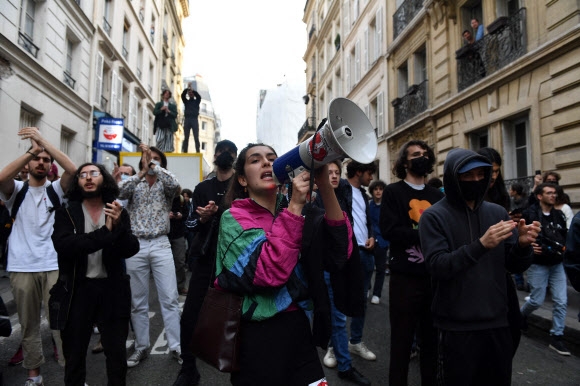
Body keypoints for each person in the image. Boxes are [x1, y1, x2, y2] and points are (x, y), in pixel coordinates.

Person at [214, 143, 353, 386]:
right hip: (256, 335)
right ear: (243, 180)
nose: (267, 163)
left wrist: (324, 186)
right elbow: (268, 272)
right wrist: (295, 207)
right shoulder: (233, 218)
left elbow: (341, 250)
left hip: (298, 327)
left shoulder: (296, 210)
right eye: (256, 160)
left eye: (272, 158)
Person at [419, 148, 540, 386]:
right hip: (456, 327)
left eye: (480, 175)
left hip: (497, 323)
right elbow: (438, 266)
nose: (475, 180)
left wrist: (523, 246)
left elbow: (512, 265)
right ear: (454, 177)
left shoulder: (496, 212)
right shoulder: (434, 216)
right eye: (467, 175)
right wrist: (481, 245)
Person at [50, 163, 140, 385]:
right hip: (77, 291)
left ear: (105, 179)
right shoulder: (67, 213)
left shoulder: (117, 211)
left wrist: (117, 228)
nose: (88, 178)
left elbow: (130, 249)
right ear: (77, 182)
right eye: (82, 175)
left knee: (117, 358)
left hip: (112, 291)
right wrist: (105, 233)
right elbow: (65, 245)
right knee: (74, 357)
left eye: (93, 174)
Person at [0, 127, 76, 385]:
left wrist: (44, 143)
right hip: (21, 266)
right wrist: (33, 148)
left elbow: (74, 171)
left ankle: (71, 376)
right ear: (29, 161)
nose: (41, 162)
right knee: (29, 325)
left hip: (53, 264)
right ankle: (34, 376)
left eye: (46, 160)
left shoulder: (56, 190)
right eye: (37, 159)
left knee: (61, 325)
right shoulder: (17, 190)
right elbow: (2, 177)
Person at [172, 139, 238, 386]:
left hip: (235, 261)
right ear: (215, 154)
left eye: (230, 152)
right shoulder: (202, 187)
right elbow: (188, 224)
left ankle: (240, 367)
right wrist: (202, 218)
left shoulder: (241, 186)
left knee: (238, 315)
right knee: (190, 315)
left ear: (235, 156)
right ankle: (188, 369)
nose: (225, 155)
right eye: (221, 151)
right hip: (205, 259)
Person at [380, 140, 444, 386]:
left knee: (431, 344)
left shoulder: (437, 196)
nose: (423, 157)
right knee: (401, 345)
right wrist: (426, 235)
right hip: (404, 278)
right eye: (416, 154)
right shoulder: (393, 193)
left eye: (426, 154)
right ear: (404, 162)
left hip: (433, 278)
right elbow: (390, 230)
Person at [118, 144, 182, 367]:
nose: (151, 161)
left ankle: (176, 346)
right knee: (138, 302)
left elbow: (176, 184)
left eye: (156, 159)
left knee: (170, 298)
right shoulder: (135, 184)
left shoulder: (165, 185)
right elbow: (120, 191)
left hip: (161, 244)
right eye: (148, 158)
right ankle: (141, 347)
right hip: (136, 245)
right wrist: (142, 172)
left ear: (162, 163)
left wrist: (153, 165)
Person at [317, 160, 370, 386]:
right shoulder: (315, 198)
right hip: (321, 268)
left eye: (337, 172)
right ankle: (340, 362)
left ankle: (344, 364)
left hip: (342, 266)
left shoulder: (345, 197)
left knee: (339, 317)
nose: (334, 176)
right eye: (329, 172)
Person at [334, 160, 377, 362]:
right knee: (339, 301)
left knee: (361, 302)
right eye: (369, 173)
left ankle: (355, 342)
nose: (371, 178)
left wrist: (371, 236)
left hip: (365, 253)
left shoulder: (364, 195)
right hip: (346, 253)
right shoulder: (341, 187)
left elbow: (367, 222)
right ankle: (334, 346)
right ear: (358, 171)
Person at [520, 183, 570, 355]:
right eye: (549, 193)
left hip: (557, 264)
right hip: (538, 264)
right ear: (540, 196)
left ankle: (557, 337)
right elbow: (525, 237)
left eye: (554, 193)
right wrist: (530, 246)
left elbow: (564, 235)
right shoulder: (530, 213)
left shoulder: (559, 215)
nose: (553, 196)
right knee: (536, 300)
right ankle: (520, 316)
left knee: (561, 301)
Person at [368, 179, 389, 305]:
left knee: (381, 269)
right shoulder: (368, 205)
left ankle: (377, 294)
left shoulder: (387, 207)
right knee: (368, 267)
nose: (378, 191)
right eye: (376, 189)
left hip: (382, 241)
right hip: (370, 241)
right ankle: (368, 288)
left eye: (381, 189)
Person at [477, 147, 510, 211]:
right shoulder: (471, 195)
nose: (494, 176)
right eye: (490, 171)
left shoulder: (501, 194)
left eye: (496, 171)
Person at [169, 190, 188, 295]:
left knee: (180, 262)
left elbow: (187, 213)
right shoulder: (161, 197)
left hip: (178, 234)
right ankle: (168, 287)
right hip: (165, 234)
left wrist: (181, 215)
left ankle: (180, 286)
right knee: (165, 264)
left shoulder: (180, 199)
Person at [181, 82, 202, 153]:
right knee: (186, 137)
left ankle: (198, 151)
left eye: (192, 93)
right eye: (190, 93)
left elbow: (199, 96)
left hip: (194, 119)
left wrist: (192, 90)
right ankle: (185, 151)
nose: (191, 94)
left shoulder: (197, 101)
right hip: (187, 119)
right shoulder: (186, 102)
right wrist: (187, 89)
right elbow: (182, 95)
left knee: (196, 136)